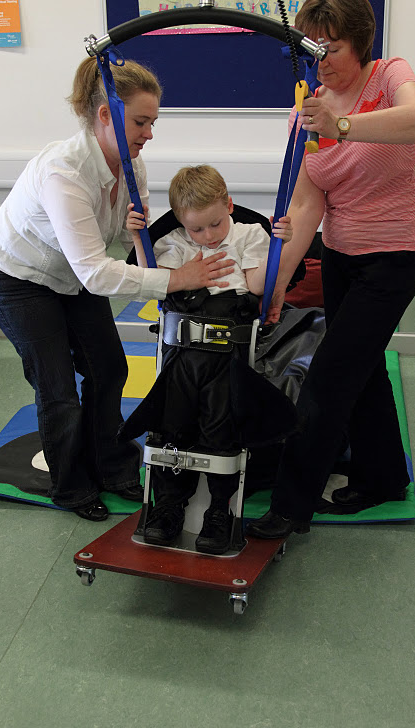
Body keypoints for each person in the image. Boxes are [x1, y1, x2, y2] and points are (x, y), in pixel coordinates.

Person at [0, 58, 234, 522]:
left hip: (70, 275)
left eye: (153, 121)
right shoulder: (64, 172)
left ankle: (112, 466)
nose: (149, 133)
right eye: (140, 121)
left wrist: (142, 239)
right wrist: (178, 278)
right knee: (56, 387)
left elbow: (112, 247)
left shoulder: (132, 166)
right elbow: (97, 273)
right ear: (105, 115)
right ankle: (70, 487)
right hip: (16, 277)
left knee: (110, 368)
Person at [247, 0, 415, 540]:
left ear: (360, 43)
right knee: (365, 368)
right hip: (341, 256)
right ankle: (383, 476)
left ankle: (290, 507)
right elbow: (308, 203)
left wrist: (343, 126)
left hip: (397, 256)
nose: (321, 60)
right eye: (311, 48)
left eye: (331, 47)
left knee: (329, 377)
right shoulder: (304, 114)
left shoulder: (388, 76)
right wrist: (277, 286)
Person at [124, 164, 294, 553]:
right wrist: (139, 238)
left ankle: (220, 509)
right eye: (196, 229)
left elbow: (257, 285)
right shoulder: (177, 241)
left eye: (215, 225)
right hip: (181, 355)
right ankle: (167, 505)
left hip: (227, 353)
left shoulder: (249, 234)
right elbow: (154, 284)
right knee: (172, 426)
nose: (207, 236)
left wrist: (285, 242)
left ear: (229, 205)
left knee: (221, 427)